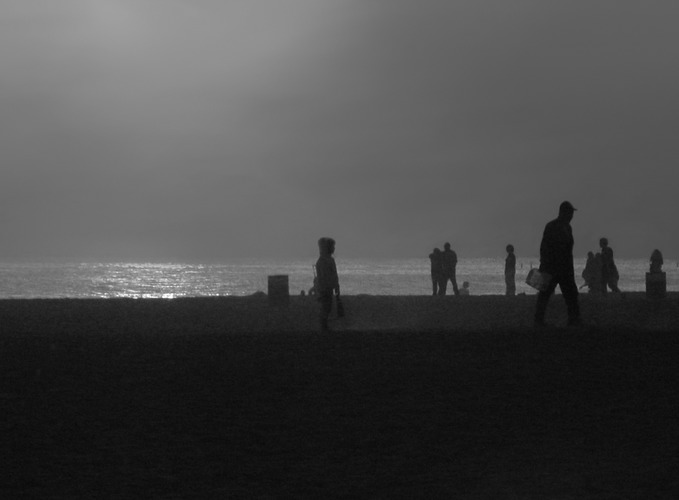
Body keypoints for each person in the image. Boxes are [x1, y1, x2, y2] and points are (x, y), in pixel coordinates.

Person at [534, 201, 582, 327]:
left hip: (564, 268)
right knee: (545, 295)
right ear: (563, 213)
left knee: (570, 295)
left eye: (572, 213)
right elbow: (545, 247)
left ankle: (574, 320)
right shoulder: (552, 226)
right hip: (552, 267)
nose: (571, 216)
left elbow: (567, 250)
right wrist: (544, 265)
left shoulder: (567, 227)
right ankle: (539, 321)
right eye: (570, 213)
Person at [315, 237, 340, 331]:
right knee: (326, 307)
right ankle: (323, 326)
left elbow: (333, 275)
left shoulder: (327, 260)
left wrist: (336, 285)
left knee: (327, 307)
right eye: (332, 246)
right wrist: (333, 285)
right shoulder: (323, 261)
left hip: (327, 287)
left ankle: (324, 325)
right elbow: (324, 277)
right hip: (325, 288)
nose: (334, 249)